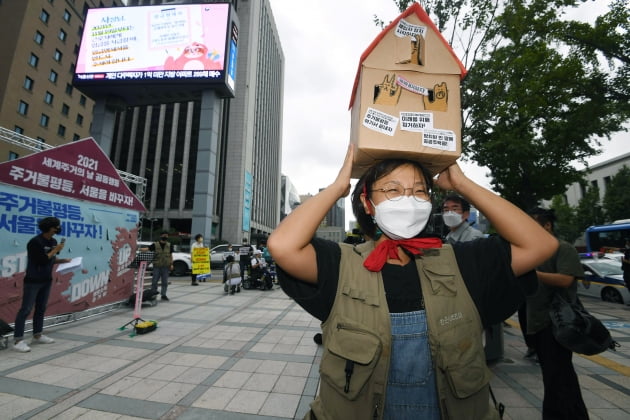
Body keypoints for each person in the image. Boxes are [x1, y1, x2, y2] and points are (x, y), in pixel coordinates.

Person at [267, 145, 558, 419]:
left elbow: (540, 245)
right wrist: (337, 188)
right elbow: (283, 246)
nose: (408, 200)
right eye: (392, 190)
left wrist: (463, 184)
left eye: (419, 192)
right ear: (368, 203)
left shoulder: (462, 261)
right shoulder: (342, 265)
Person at [526, 208, 589, 420]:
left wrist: (533, 274)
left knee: (560, 377)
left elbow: (565, 279)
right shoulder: (532, 250)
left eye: (532, 223)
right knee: (552, 377)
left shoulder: (563, 248)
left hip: (559, 323)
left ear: (547, 226)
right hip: (538, 322)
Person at [13, 217, 72, 353]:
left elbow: (51, 259)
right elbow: (41, 260)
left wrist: (64, 260)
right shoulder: (35, 242)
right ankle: (18, 340)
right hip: (33, 280)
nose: (58, 228)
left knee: (41, 308)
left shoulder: (53, 241)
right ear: (49, 228)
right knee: (26, 309)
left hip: (46, 279)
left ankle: (37, 335)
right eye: (56, 226)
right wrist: (55, 249)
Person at [142, 231, 173, 301]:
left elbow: (171, 255)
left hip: (165, 266)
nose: (165, 237)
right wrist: (139, 249)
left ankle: (163, 295)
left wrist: (171, 264)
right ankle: (153, 294)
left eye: (166, 236)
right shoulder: (155, 244)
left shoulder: (169, 245)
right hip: (157, 266)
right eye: (164, 235)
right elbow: (147, 249)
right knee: (154, 281)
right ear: (161, 236)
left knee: (165, 282)